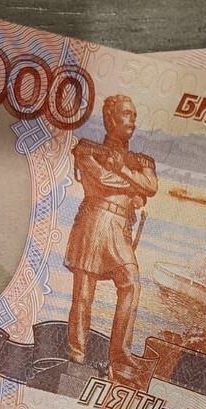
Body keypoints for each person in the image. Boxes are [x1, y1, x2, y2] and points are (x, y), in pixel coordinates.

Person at [65, 95, 158, 381]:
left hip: (119, 229)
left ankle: (120, 357)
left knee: (131, 283)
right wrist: (132, 186)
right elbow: (101, 179)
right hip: (94, 222)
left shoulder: (141, 160)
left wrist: (123, 169)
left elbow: (151, 186)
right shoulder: (87, 150)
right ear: (110, 119)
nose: (132, 121)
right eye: (127, 115)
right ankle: (76, 354)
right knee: (83, 293)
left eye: (134, 116)